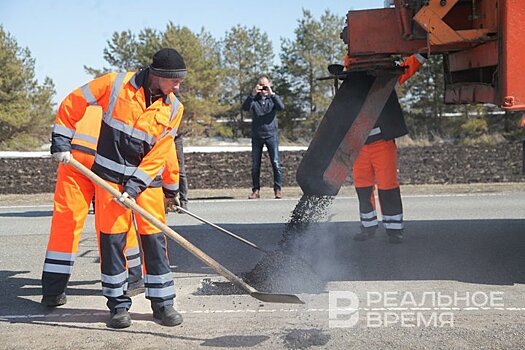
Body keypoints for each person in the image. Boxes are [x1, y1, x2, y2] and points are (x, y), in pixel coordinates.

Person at [50, 48, 185, 328]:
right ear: (159, 76)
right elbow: (73, 101)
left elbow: (160, 153)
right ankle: (118, 306)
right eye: (175, 80)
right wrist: (61, 141)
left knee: (155, 243)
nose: (178, 85)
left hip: (146, 185)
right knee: (112, 244)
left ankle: (163, 304)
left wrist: (136, 187)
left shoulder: (174, 108)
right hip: (108, 181)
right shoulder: (114, 84)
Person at [42, 106, 144, 308]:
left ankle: (53, 291)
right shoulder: (133, 107)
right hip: (108, 161)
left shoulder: (88, 104)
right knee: (116, 220)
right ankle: (132, 279)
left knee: (66, 223)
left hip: (74, 160)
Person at [348, 54, 425, 244]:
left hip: (382, 143)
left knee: (387, 186)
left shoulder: (386, 78)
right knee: (363, 187)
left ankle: (394, 229)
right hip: (359, 146)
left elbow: (406, 68)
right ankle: (368, 226)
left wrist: (422, 54)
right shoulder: (352, 83)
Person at [242, 74, 285, 199]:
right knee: (255, 165)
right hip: (257, 136)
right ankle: (256, 190)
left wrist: (272, 93)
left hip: (272, 135)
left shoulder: (273, 99)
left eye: (265, 85)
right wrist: (253, 94)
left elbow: (281, 107)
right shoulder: (254, 100)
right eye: (261, 85)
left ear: (270, 85)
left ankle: (278, 189)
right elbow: (245, 108)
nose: (264, 89)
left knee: (276, 163)